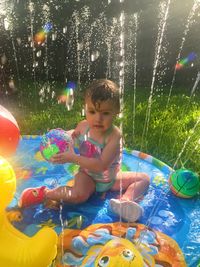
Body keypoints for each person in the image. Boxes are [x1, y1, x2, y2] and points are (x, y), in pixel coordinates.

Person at [19, 79, 150, 222]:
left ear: (116, 112)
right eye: (92, 111)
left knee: (143, 178)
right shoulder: (83, 126)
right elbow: (72, 136)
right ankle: (45, 194)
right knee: (78, 195)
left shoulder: (115, 136)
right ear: (85, 109)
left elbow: (101, 165)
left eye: (105, 113)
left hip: (111, 178)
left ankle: (124, 202)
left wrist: (72, 158)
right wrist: (60, 140)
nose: (98, 118)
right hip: (87, 175)